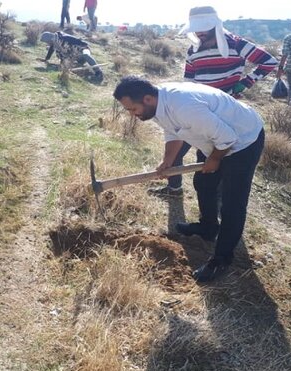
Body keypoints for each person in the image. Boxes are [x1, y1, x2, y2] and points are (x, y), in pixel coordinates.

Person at [113, 77, 265, 282]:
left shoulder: (184, 106)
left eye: (132, 109)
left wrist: (214, 159)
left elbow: (228, 138)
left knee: (232, 204)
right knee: (204, 183)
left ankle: (221, 260)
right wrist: (168, 161)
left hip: (243, 140)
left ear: (147, 99)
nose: (132, 114)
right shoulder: (158, 105)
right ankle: (208, 227)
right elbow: (172, 131)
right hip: (215, 139)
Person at [149, 5, 278, 198]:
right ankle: (174, 188)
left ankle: (216, 200)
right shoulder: (193, 51)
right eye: (197, 28)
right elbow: (189, 82)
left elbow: (269, 62)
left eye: (204, 27)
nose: (200, 32)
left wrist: (245, 83)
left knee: (218, 154)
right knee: (174, 152)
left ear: (215, 26)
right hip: (193, 109)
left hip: (222, 111)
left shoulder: (236, 44)